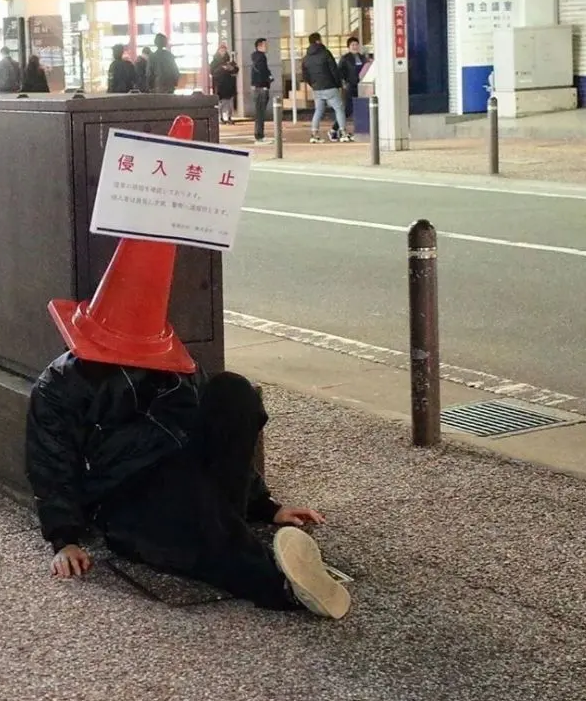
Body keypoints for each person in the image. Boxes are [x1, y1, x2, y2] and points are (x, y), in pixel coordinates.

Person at [25, 245, 351, 620]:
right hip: (126, 499)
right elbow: (49, 461)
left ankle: (257, 548)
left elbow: (222, 439)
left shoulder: (174, 367)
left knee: (232, 391)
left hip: (188, 474)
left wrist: (265, 505)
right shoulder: (59, 385)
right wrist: (64, 539)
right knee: (193, 521)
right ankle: (281, 586)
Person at [301, 32, 350, 143]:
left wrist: (313, 84)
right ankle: (343, 133)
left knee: (318, 110)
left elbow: (305, 75)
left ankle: (314, 134)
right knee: (339, 108)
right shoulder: (325, 53)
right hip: (330, 86)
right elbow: (334, 70)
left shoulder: (306, 58)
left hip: (317, 88)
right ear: (318, 40)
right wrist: (338, 84)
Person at [338, 36, 369, 126]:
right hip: (351, 86)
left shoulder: (363, 57)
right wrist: (344, 83)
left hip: (363, 86)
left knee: (362, 107)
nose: (355, 46)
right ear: (348, 47)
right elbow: (340, 72)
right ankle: (337, 127)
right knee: (348, 109)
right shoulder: (345, 58)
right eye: (352, 45)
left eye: (356, 44)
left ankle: (360, 127)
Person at [250, 37, 273, 145]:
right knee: (260, 113)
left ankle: (260, 135)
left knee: (260, 112)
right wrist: (268, 79)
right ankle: (259, 136)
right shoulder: (261, 58)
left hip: (258, 87)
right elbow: (262, 71)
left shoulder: (256, 57)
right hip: (261, 88)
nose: (267, 47)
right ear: (259, 46)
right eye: (265, 45)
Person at [210, 43, 238, 124]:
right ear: (218, 51)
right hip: (220, 84)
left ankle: (229, 117)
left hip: (229, 84)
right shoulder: (214, 62)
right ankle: (220, 117)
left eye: (224, 50)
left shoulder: (229, 60)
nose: (223, 52)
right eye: (221, 50)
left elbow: (236, 69)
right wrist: (222, 69)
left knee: (229, 102)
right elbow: (212, 72)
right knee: (221, 102)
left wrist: (231, 68)